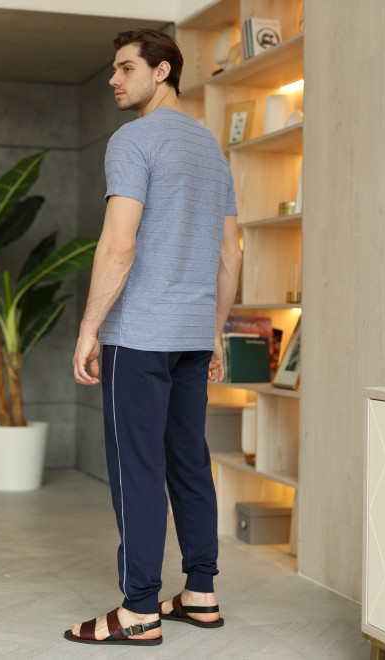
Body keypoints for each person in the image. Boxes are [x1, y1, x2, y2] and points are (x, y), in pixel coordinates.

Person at [65, 28, 242, 647]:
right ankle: (200, 593)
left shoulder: (133, 139)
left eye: (125, 68)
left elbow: (119, 243)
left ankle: (138, 608)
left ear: (161, 71)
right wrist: (214, 332)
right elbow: (231, 253)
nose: (114, 80)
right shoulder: (211, 148)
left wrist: (89, 327)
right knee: (189, 461)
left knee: (136, 468)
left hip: (139, 336)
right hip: (191, 336)